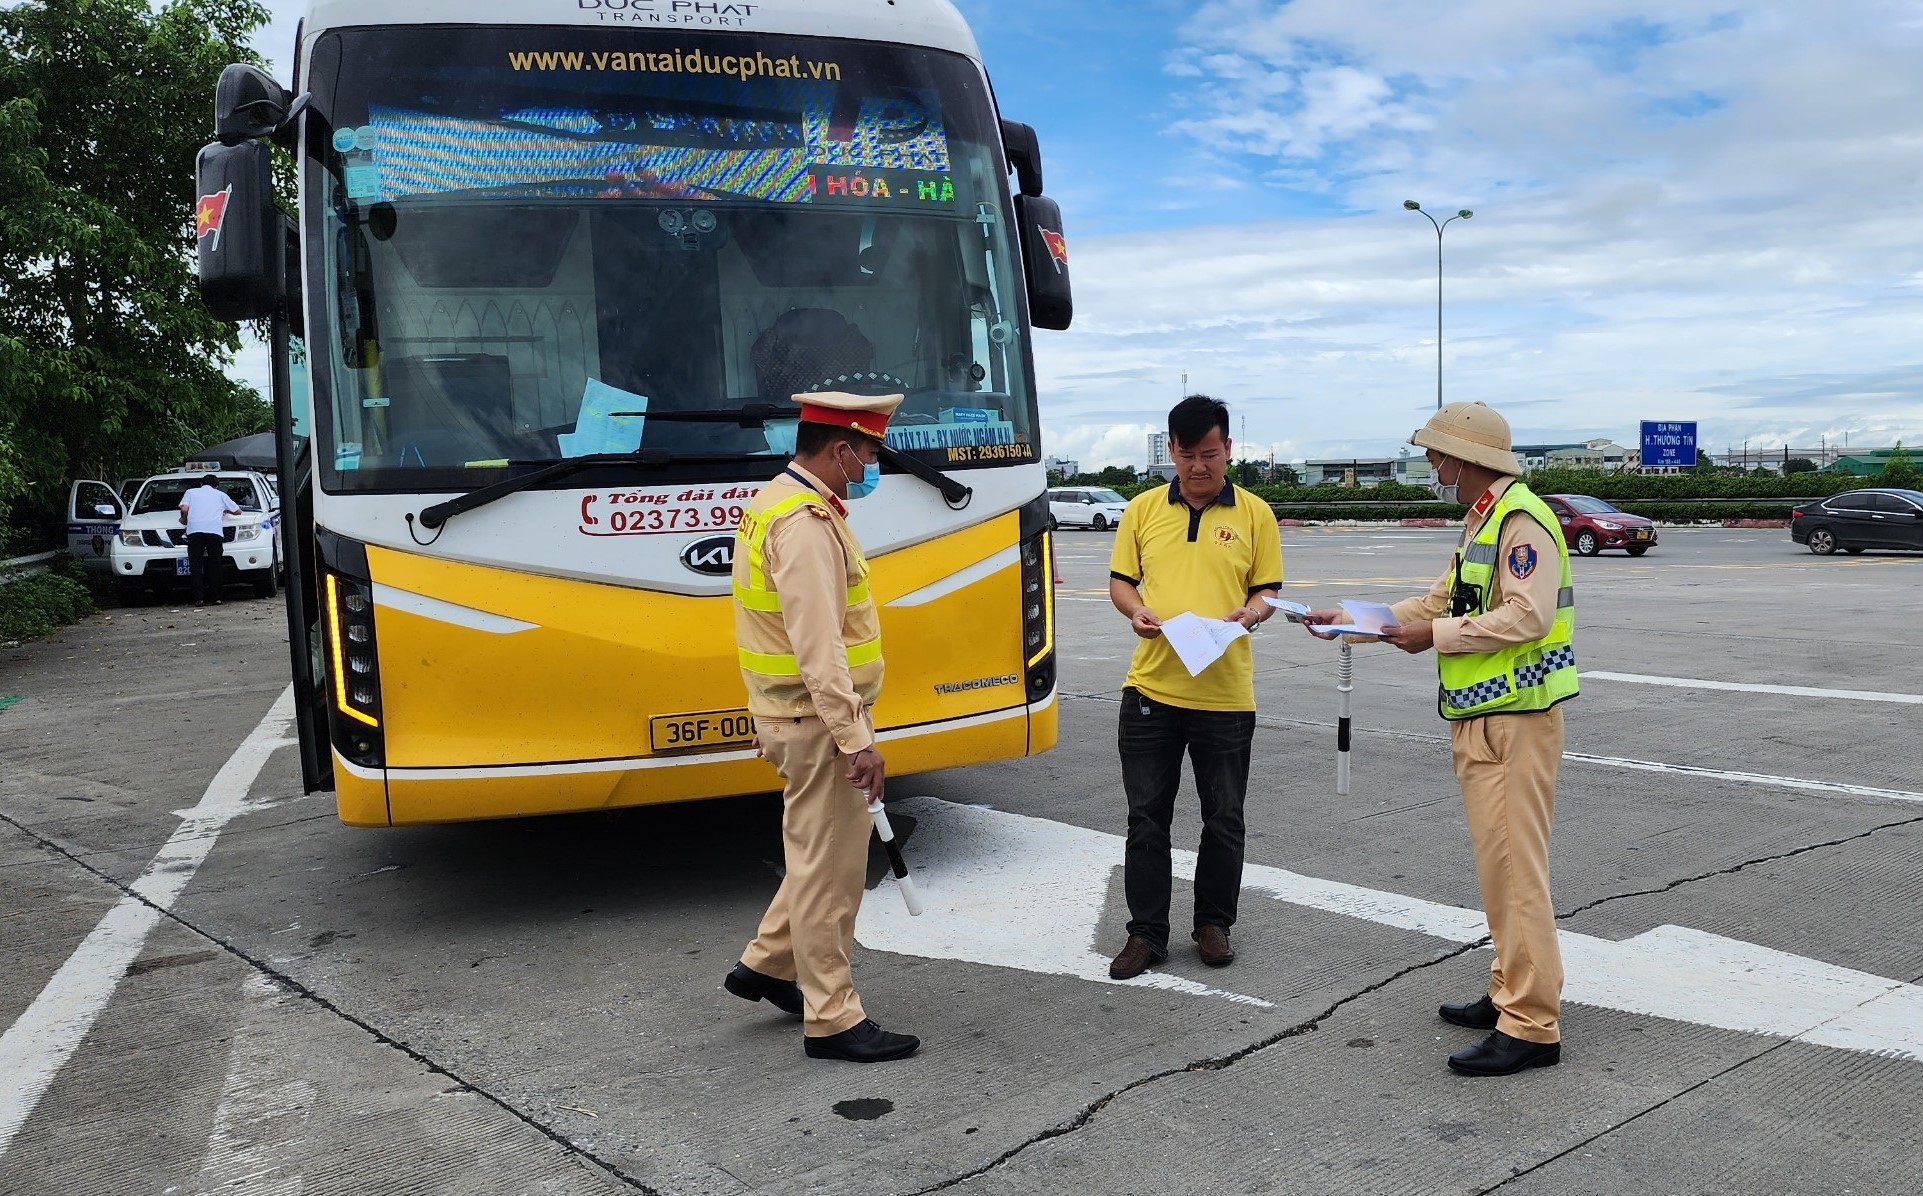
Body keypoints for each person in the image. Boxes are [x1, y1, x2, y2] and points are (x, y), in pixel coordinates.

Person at [1303, 401, 1577, 1077]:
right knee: (1498, 871)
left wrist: (1436, 637)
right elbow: (1437, 603)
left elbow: (1528, 615)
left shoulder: (1522, 522)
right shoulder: (1484, 519)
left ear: (1468, 457)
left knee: (1515, 874)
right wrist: (1353, 621)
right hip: (1484, 721)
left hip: (1514, 722)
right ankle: (1507, 988)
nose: (1430, 463)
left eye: (1435, 453)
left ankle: (1531, 1025)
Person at [723, 389, 919, 1064]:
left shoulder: (770, 501)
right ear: (840, 451)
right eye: (867, 453)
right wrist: (856, 738)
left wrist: (764, 711)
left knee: (814, 856)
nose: (871, 466)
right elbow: (817, 646)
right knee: (831, 873)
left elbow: (758, 625)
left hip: (790, 715)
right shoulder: (803, 523)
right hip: (817, 720)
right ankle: (831, 1017)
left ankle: (768, 964)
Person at [1106, 395, 1284, 980]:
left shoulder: (1256, 514)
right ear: (1171, 452)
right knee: (1147, 818)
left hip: (1225, 695)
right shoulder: (1141, 509)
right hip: (1151, 690)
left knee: (1224, 817)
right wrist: (1135, 612)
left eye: (1210, 454)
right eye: (1187, 455)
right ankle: (1146, 933)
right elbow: (1121, 583)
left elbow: (1268, 592)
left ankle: (1213, 924)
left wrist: (1250, 616)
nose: (1199, 467)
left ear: (1228, 449)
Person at [178, 474, 240, 607]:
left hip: (194, 531)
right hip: (214, 531)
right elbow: (237, 511)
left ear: (201, 484)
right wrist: (225, 511)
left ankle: (198, 598)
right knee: (215, 564)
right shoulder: (220, 495)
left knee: (195, 565)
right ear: (216, 486)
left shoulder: (190, 492)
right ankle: (216, 597)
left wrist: (184, 519)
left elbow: (184, 509)